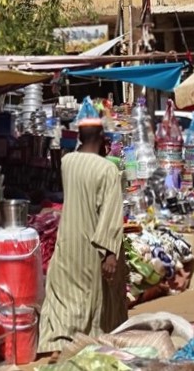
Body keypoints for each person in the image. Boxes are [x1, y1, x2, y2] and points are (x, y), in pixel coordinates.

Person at [38, 118, 127, 354]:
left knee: (64, 297)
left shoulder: (68, 162)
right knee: (91, 299)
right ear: (102, 139)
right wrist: (110, 253)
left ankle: (59, 343)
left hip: (67, 243)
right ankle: (88, 343)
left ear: (79, 138)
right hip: (92, 246)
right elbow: (111, 213)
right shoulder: (108, 169)